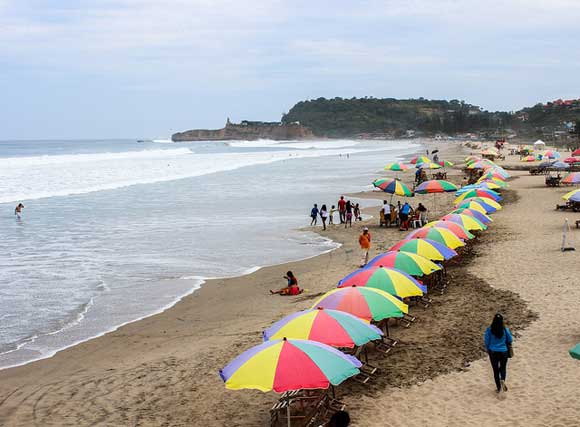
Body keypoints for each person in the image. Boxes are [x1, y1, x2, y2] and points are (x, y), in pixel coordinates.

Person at [484, 313, 513, 394]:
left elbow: (486, 341)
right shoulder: (504, 329)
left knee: (496, 370)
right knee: (503, 368)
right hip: (504, 352)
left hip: (493, 352)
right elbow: (510, 340)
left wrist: (488, 349)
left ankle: (498, 388)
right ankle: (502, 380)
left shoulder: (489, 329)